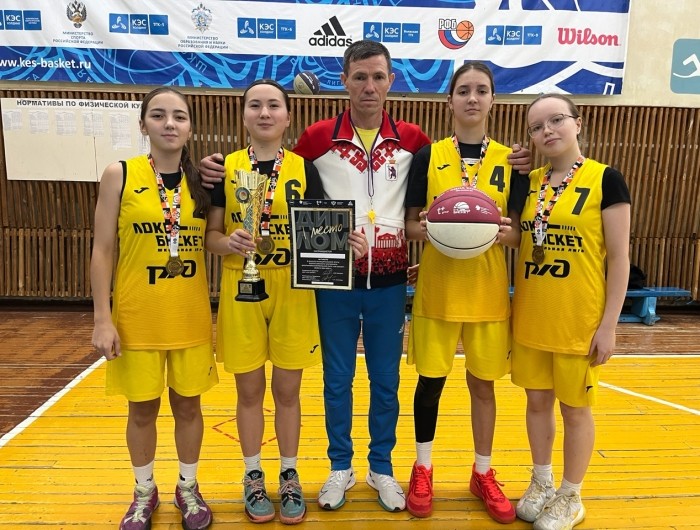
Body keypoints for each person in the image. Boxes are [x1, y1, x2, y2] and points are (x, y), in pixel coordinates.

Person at [203, 79, 367, 524]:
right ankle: (253, 474)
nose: (264, 113)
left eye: (273, 105)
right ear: (243, 115)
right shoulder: (225, 168)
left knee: (288, 391)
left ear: (287, 116)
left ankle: (289, 474)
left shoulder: (303, 168)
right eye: (255, 105)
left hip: (294, 289)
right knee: (249, 391)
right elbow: (210, 236)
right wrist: (227, 243)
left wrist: (345, 243)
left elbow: (321, 228)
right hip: (242, 286)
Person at [403, 61, 529, 523]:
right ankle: (423, 467)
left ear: (493, 99)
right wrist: (435, 230)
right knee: (430, 385)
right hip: (437, 291)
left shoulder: (513, 161)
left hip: (487, 292)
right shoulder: (428, 156)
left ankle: (482, 471)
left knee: (483, 386)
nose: (472, 98)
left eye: (481, 90)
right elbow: (410, 225)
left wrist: (495, 232)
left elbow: (518, 234)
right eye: (463, 91)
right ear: (450, 100)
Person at [91, 87, 218, 530]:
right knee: (142, 410)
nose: (169, 123)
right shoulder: (120, 174)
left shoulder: (204, 182)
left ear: (190, 127)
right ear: (143, 123)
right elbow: (102, 250)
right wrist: (102, 319)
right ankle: (144, 491)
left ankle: (188, 486)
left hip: (189, 316)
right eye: (159, 115)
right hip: (137, 318)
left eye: (179, 116)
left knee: (188, 407)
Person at [510, 94, 630, 530]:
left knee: (575, 409)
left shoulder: (606, 179)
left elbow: (619, 258)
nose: (547, 131)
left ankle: (570, 495)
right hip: (531, 316)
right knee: (536, 403)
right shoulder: (529, 182)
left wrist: (609, 325)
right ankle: (542, 482)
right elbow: (517, 237)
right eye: (537, 126)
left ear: (578, 123)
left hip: (577, 321)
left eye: (556, 120)